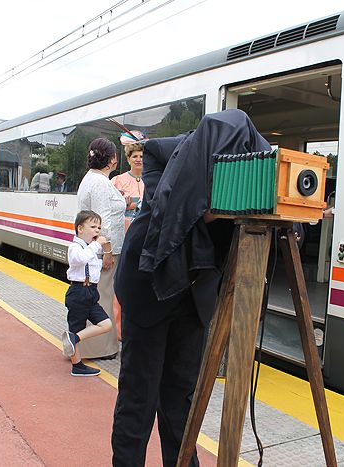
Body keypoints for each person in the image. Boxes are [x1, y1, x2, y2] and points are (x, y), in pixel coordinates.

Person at [111, 109, 270, 467]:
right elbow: (172, 205)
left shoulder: (245, 169)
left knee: (180, 399)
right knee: (140, 398)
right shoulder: (173, 157)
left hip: (192, 296)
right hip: (149, 288)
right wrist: (203, 205)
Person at [76, 138, 125, 359]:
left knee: (97, 295)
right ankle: (99, 348)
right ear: (113, 159)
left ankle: (96, 344)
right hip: (103, 251)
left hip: (93, 248)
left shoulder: (91, 179)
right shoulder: (101, 183)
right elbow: (102, 220)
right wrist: (106, 251)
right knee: (103, 296)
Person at [61, 210, 114, 377]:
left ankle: (74, 338)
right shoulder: (75, 247)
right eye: (93, 226)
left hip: (91, 292)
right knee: (76, 326)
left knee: (106, 324)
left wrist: (106, 251)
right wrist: (97, 245)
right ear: (80, 229)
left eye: (99, 227)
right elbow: (80, 259)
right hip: (78, 292)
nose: (97, 230)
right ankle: (77, 366)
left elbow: (94, 267)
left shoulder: (91, 248)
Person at [110, 130, 147, 340]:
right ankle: (119, 330)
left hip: (145, 237)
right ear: (129, 159)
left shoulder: (151, 179)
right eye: (135, 156)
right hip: (124, 236)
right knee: (120, 282)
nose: (139, 159)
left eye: (141, 156)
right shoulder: (118, 180)